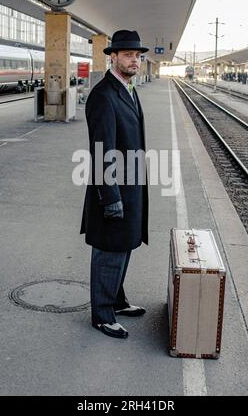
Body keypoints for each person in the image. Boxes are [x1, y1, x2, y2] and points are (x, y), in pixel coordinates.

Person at [80, 30, 149, 339]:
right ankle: (102, 315)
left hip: (131, 185)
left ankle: (117, 302)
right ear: (113, 57)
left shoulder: (128, 89)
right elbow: (101, 151)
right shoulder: (104, 95)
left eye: (137, 55)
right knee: (109, 250)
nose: (134, 59)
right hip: (114, 189)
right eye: (127, 55)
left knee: (124, 247)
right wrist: (110, 198)